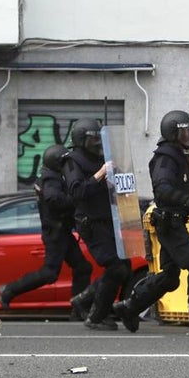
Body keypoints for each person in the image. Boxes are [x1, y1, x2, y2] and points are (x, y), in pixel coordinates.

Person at [113, 110, 189, 336]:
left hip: (173, 222)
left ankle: (129, 308)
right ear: (173, 134)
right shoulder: (167, 157)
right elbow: (163, 190)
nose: (188, 137)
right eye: (184, 132)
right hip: (169, 223)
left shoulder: (178, 156)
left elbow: (182, 186)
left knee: (171, 278)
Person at [0, 144, 93, 314]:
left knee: (83, 268)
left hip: (61, 231)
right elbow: (53, 199)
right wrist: (75, 199)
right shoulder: (51, 179)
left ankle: (79, 309)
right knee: (50, 273)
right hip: (56, 234)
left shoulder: (49, 175)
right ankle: (9, 290)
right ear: (58, 163)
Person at [63, 118, 127, 331]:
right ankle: (97, 316)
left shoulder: (103, 158)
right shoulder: (72, 161)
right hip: (91, 223)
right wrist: (100, 174)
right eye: (93, 139)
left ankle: (83, 300)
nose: (98, 143)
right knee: (115, 267)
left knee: (124, 267)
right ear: (82, 140)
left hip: (109, 219)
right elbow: (77, 192)